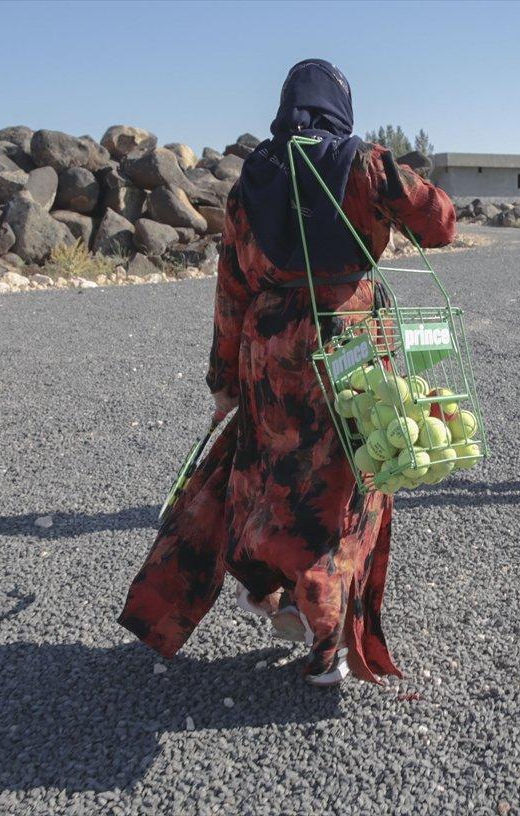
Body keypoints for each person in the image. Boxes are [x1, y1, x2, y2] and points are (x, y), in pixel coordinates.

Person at [118, 59, 456, 685]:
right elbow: (439, 223)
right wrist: (393, 180)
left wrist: (224, 378)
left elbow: (231, 285)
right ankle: (327, 637)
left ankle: (270, 588)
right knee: (347, 486)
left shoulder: (255, 178)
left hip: (270, 353)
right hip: (351, 347)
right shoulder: (363, 163)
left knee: (272, 473)